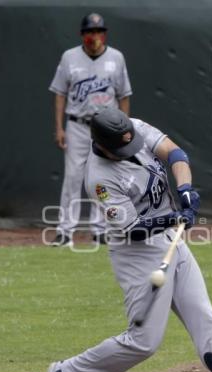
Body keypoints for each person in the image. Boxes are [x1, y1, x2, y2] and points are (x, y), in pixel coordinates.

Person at [42, 109, 212, 372]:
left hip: (171, 240)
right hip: (136, 253)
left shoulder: (134, 129)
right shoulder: (99, 178)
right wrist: (173, 217)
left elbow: (175, 153)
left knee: (203, 316)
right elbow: (133, 229)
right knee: (143, 342)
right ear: (104, 147)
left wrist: (185, 189)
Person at [49, 12, 132, 246]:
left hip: (106, 127)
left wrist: (122, 129)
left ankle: (101, 230)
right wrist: (59, 127)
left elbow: (124, 96)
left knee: (102, 178)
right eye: (90, 32)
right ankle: (65, 231)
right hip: (77, 124)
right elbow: (59, 93)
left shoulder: (116, 58)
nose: (94, 36)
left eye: (98, 32)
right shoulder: (69, 57)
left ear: (104, 35)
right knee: (73, 178)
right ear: (82, 35)